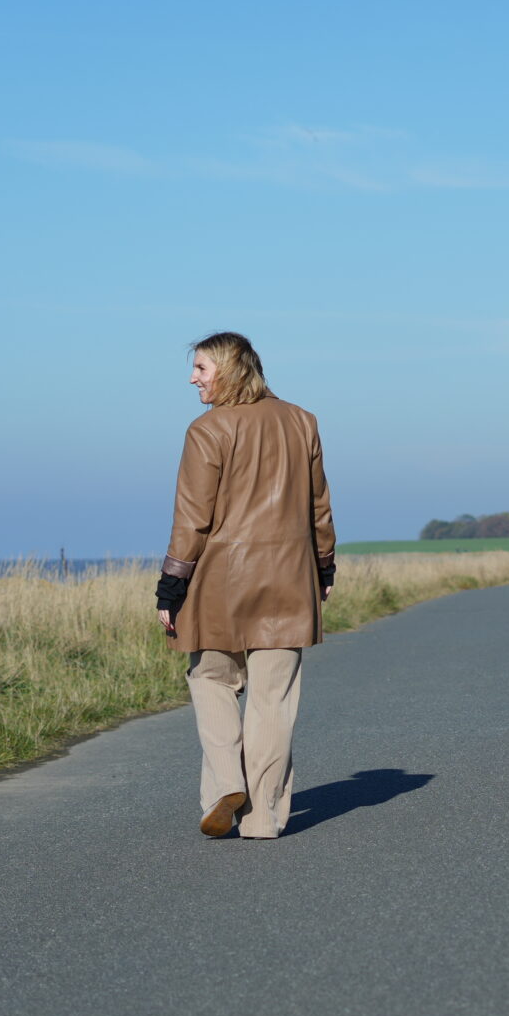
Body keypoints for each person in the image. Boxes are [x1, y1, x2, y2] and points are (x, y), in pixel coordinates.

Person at [153, 332, 337, 840]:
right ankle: (263, 819)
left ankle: (225, 786)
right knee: (272, 700)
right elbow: (318, 506)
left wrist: (170, 587)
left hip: (219, 583)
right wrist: (323, 568)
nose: (193, 378)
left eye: (202, 369)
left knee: (211, 679)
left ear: (231, 370)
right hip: (289, 580)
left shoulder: (206, 430)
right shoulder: (303, 422)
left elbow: (191, 519)